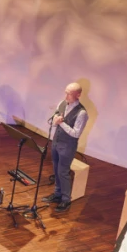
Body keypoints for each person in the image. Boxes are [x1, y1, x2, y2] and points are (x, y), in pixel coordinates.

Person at [45, 81, 87, 213]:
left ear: (78, 95)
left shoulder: (81, 113)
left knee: (63, 172)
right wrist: (55, 121)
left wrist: (61, 123)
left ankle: (66, 199)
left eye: (69, 94)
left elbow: (76, 133)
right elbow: (54, 120)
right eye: (66, 93)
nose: (66, 96)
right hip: (56, 142)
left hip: (67, 146)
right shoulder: (62, 104)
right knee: (56, 170)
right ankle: (57, 194)